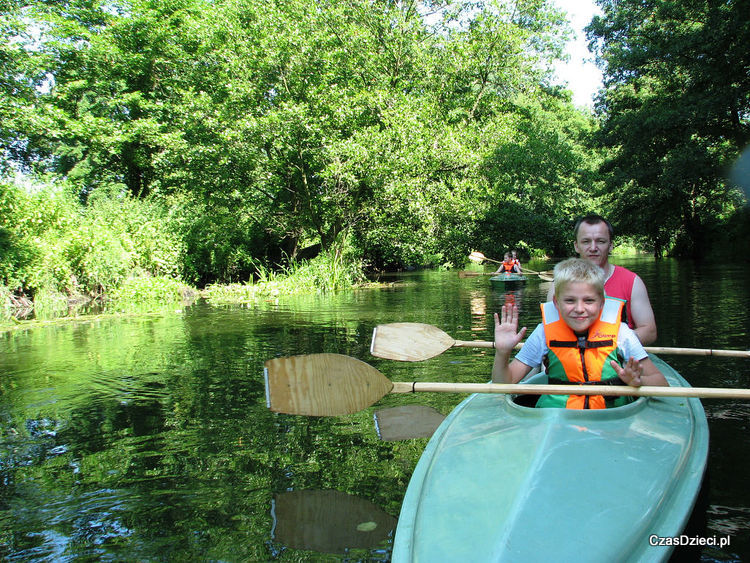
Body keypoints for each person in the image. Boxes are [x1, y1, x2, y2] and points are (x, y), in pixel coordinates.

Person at [494, 258, 668, 409]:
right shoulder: (544, 333)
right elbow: (503, 384)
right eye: (569, 300)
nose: (579, 309)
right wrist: (502, 353)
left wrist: (636, 382)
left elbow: (661, 384)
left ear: (601, 303)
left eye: (589, 300)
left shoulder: (622, 333)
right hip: (557, 419)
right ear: (556, 302)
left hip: (611, 420)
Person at [547, 214, 657, 345]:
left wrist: (611, 344)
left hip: (619, 359)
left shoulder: (632, 282)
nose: (593, 248)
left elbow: (649, 332)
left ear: (610, 245)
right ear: (576, 246)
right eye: (586, 241)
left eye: (600, 241)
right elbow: (551, 331)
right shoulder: (558, 285)